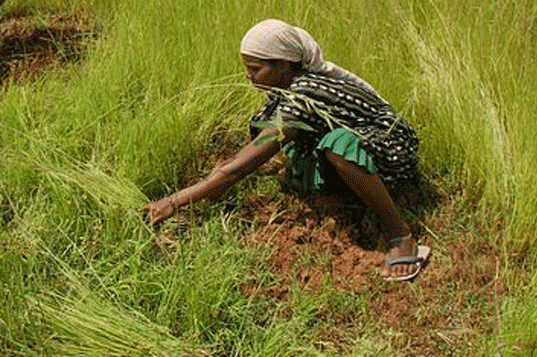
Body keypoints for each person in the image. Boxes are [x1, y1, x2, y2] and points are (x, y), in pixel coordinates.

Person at [143, 19, 431, 282]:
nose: (248, 76)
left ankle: (399, 234)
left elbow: (239, 167)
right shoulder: (287, 89)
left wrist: (175, 201)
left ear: (283, 64)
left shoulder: (304, 96)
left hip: (389, 150)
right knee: (276, 140)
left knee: (338, 147)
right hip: (357, 144)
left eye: (255, 69)